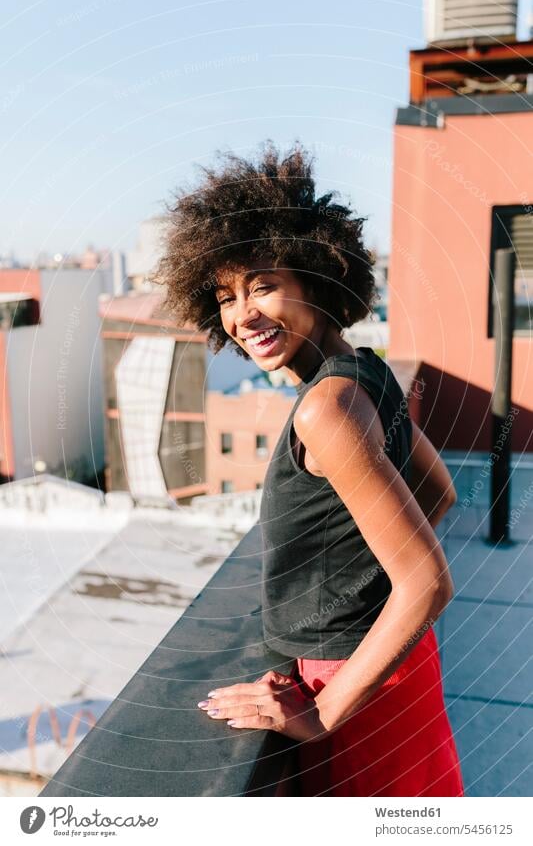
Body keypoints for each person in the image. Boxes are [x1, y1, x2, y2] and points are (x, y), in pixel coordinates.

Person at [158, 140, 464, 797]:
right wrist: (353, 588)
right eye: (225, 295)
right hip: (396, 669)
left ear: (315, 277)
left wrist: (325, 703)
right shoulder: (365, 372)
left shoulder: (326, 408)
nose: (241, 315)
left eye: (262, 284)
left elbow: (427, 582)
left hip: (350, 686)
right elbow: (438, 493)